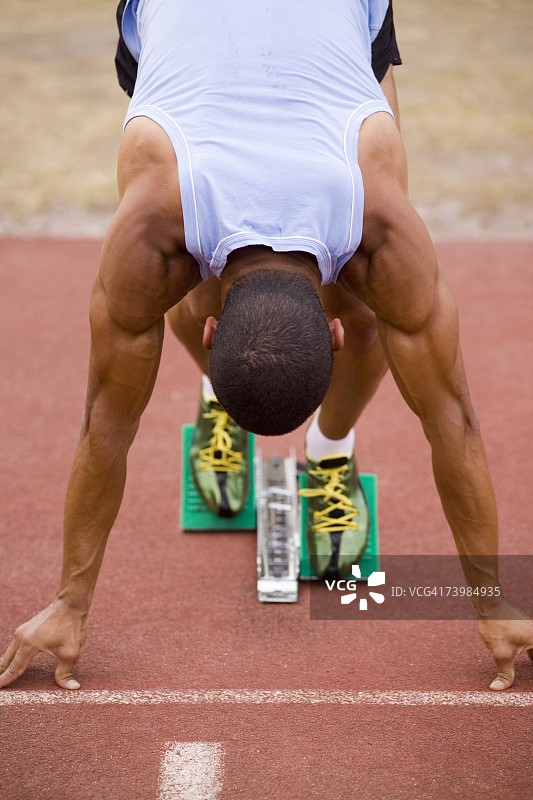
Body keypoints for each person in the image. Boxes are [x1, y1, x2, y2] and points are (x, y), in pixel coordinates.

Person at [1, 0, 532, 693]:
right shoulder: (354, 218)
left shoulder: (367, 206)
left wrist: (72, 603)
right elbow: (451, 418)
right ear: (329, 336)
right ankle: (237, 404)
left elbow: (107, 421)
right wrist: (491, 599)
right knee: (191, 268)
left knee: (355, 305)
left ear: (328, 331)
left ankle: (327, 450)